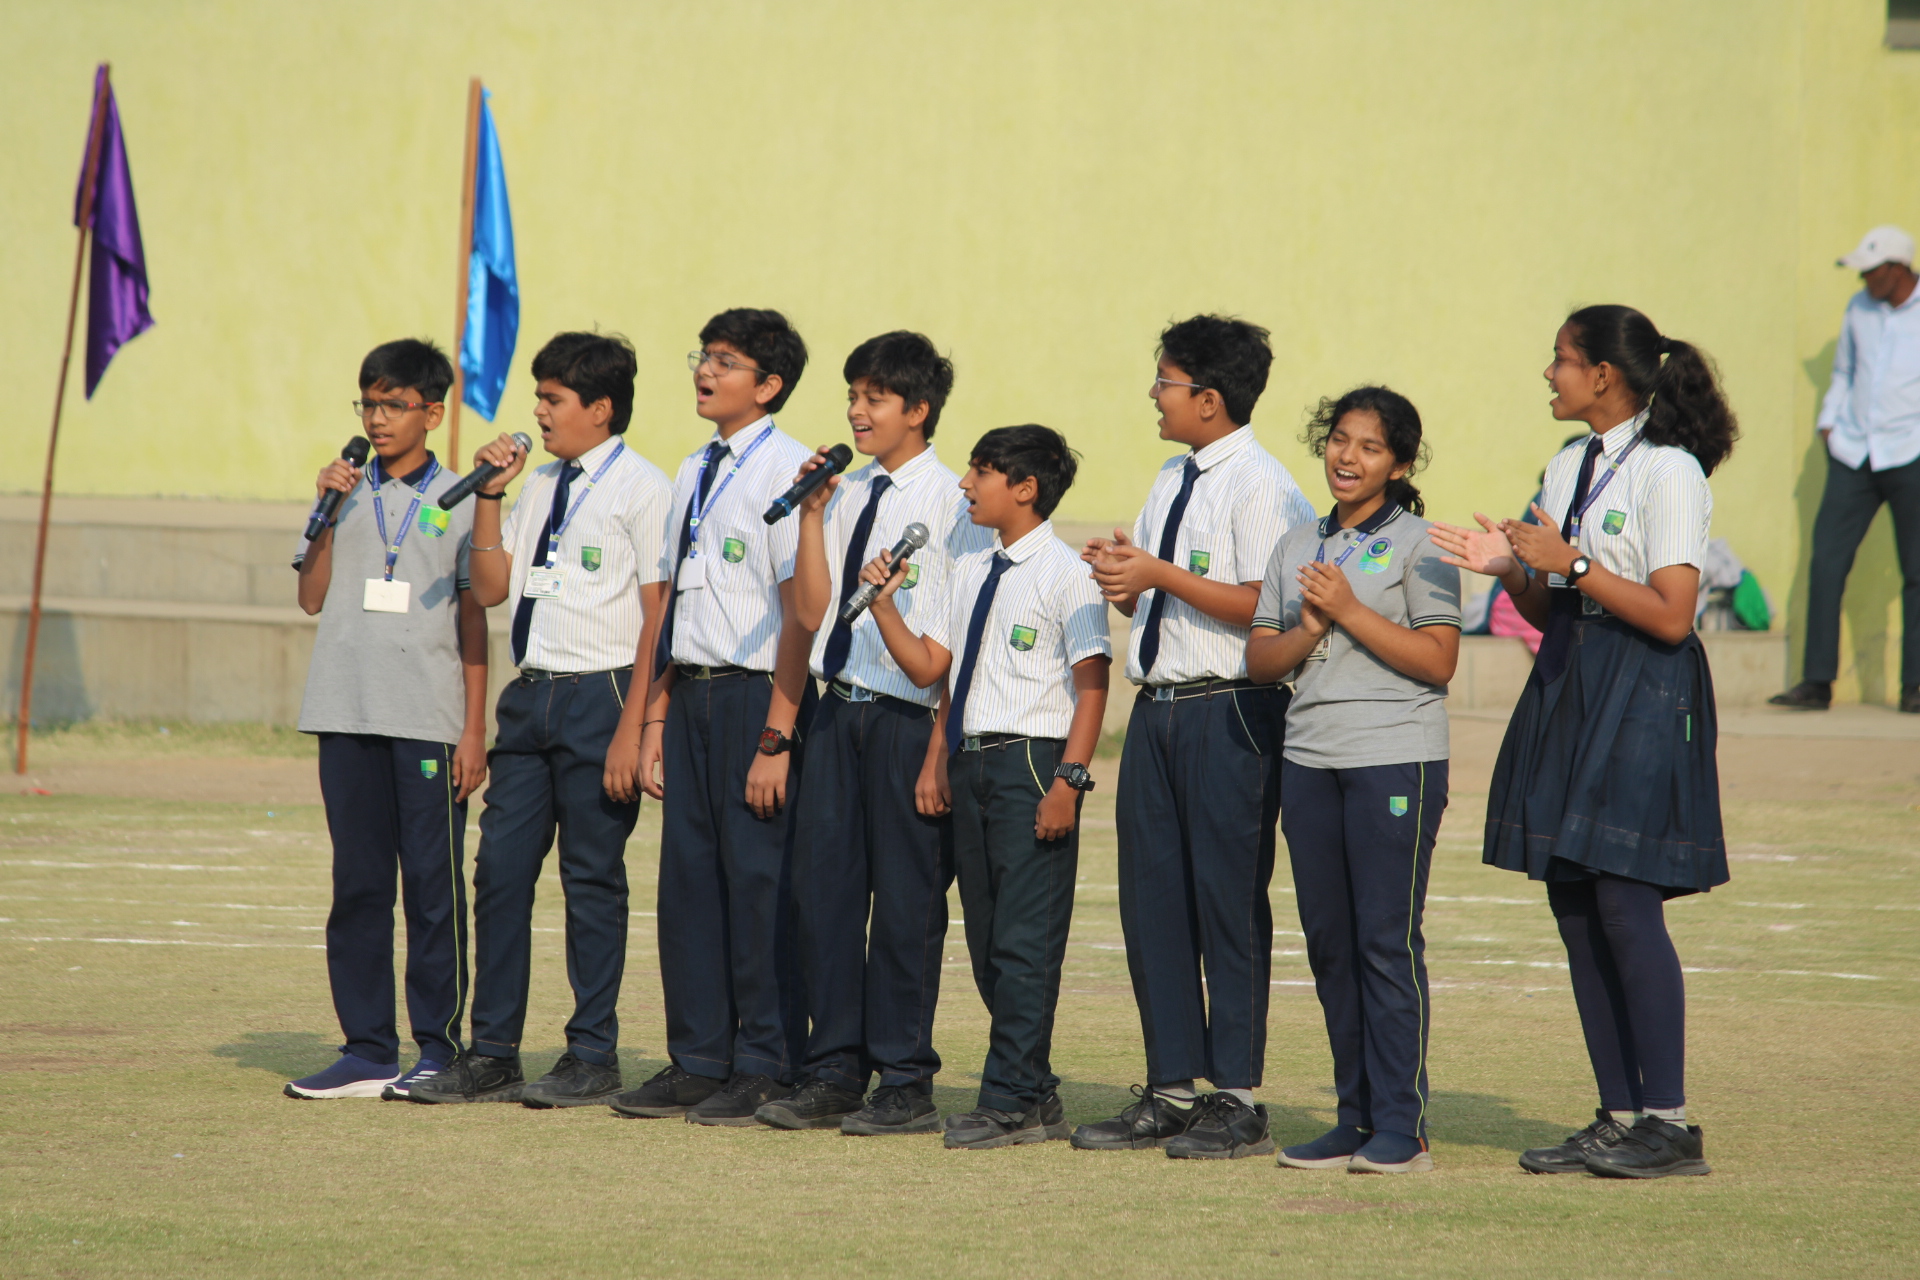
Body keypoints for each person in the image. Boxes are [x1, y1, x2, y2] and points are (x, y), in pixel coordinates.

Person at [1431, 304, 1735, 1179]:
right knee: (1574, 903)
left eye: (1561, 358)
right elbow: (1550, 606)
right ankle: (1618, 1114)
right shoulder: (1569, 464)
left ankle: (1669, 1123)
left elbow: (1673, 616)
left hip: (1645, 687)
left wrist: (1568, 562)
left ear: (1604, 374)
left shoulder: (1670, 470)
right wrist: (1512, 569)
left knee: (1624, 900)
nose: (1549, 373)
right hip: (1572, 672)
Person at [1070, 315, 1315, 1160]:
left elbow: (1271, 607)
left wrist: (1161, 574)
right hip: (1160, 710)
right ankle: (1171, 1088)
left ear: (1209, 399)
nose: (1154, 394)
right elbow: (1159, 594)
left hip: (1232, 710)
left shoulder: (1264, 486)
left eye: (1166, 381)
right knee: (1154, 903)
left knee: (1227, 902)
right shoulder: (1172, 476)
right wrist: (1126, 578)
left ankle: (1237, 1098)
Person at [411, 331, 674, 1107]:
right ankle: (493, 1051)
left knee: (591, 878)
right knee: (499, 872)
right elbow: (493, 589)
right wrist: (490, 496)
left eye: (554, 399)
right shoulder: (539, 486)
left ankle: (592, 1054)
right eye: (539, 397)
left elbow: (659, 616)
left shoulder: (643, 489)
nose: (539, 413)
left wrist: (635, 726)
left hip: (604, 694)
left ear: (601, 408)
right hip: (531, 698)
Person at [753, 332, 991, 1135]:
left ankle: (906, 1078)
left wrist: (939, 749)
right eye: (852, 396)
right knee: (824, 897)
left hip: (907, 720)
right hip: (836, 710)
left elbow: (959, 641)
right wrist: (813, 514)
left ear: (917, 410)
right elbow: (811, 612)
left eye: (874, 399)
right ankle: (834, 1069)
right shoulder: (845, 493)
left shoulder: (955, 505)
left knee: (905, 908)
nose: (856, 411)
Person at [859, 425, 1110, 1149]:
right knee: (990, 943)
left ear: (1025, 488)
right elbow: (933, 670)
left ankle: (1008, 1101)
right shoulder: (971, 567)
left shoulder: (1065, 572)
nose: (965, 483)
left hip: (1032, 764)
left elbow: (1092, 687)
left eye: (982, 470)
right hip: (971, 763)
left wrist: (1068, 781)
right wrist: (883, 606)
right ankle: (1034, 1092)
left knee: (1025, 942)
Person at [607, 308, 818, 1126]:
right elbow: (673, 606)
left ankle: (766, 1062)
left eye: (726, 361)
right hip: (690, 693)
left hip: (754, 696)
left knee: (759, 883)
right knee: (690, 882)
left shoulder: (787, 470)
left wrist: (777, 735)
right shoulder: (695, 466)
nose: (705, 370)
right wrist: (653, 720)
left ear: (768, 385)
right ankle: (698, 1058)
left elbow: (799, 617)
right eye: (704, 355)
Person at [1249, 388, 1460, 1175]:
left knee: (1384, 941)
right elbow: (1261, 659)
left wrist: (1344, 610)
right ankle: (1355, 1118)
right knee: (1332, 947)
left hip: (1394, 759)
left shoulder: (1423, 544)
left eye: (1370, 447)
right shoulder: (1296, 543)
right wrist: (1308, 625)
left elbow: (1438, 660)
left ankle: (1403, 1126)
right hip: (1309, 761)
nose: (1348, 457)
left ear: (1398, 465)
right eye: (1340, 439)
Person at [284, 338, 488, 1100]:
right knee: (359, 885)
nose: (377, 419)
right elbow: (310, 597)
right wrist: (324, 510)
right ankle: (367, 1049)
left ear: (431, 412)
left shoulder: (459, 498)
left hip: (426, 720)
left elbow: (474, 620)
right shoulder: (342, 492)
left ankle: (438, 1047)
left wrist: (473, 730)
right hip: (344, 712)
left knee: (432, 888)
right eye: (368, 403)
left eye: (394, 405)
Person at [1772, 225, 1920, 713]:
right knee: (1826, 563)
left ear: (1897, 269)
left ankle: (1915, 686)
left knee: (1917, 570)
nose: (1864, 280)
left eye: (1871, 271)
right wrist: (1828, 422)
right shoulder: (1859, 308)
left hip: (1910, 451)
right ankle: (1816, 682)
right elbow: (1845, 371)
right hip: (1853, 452)